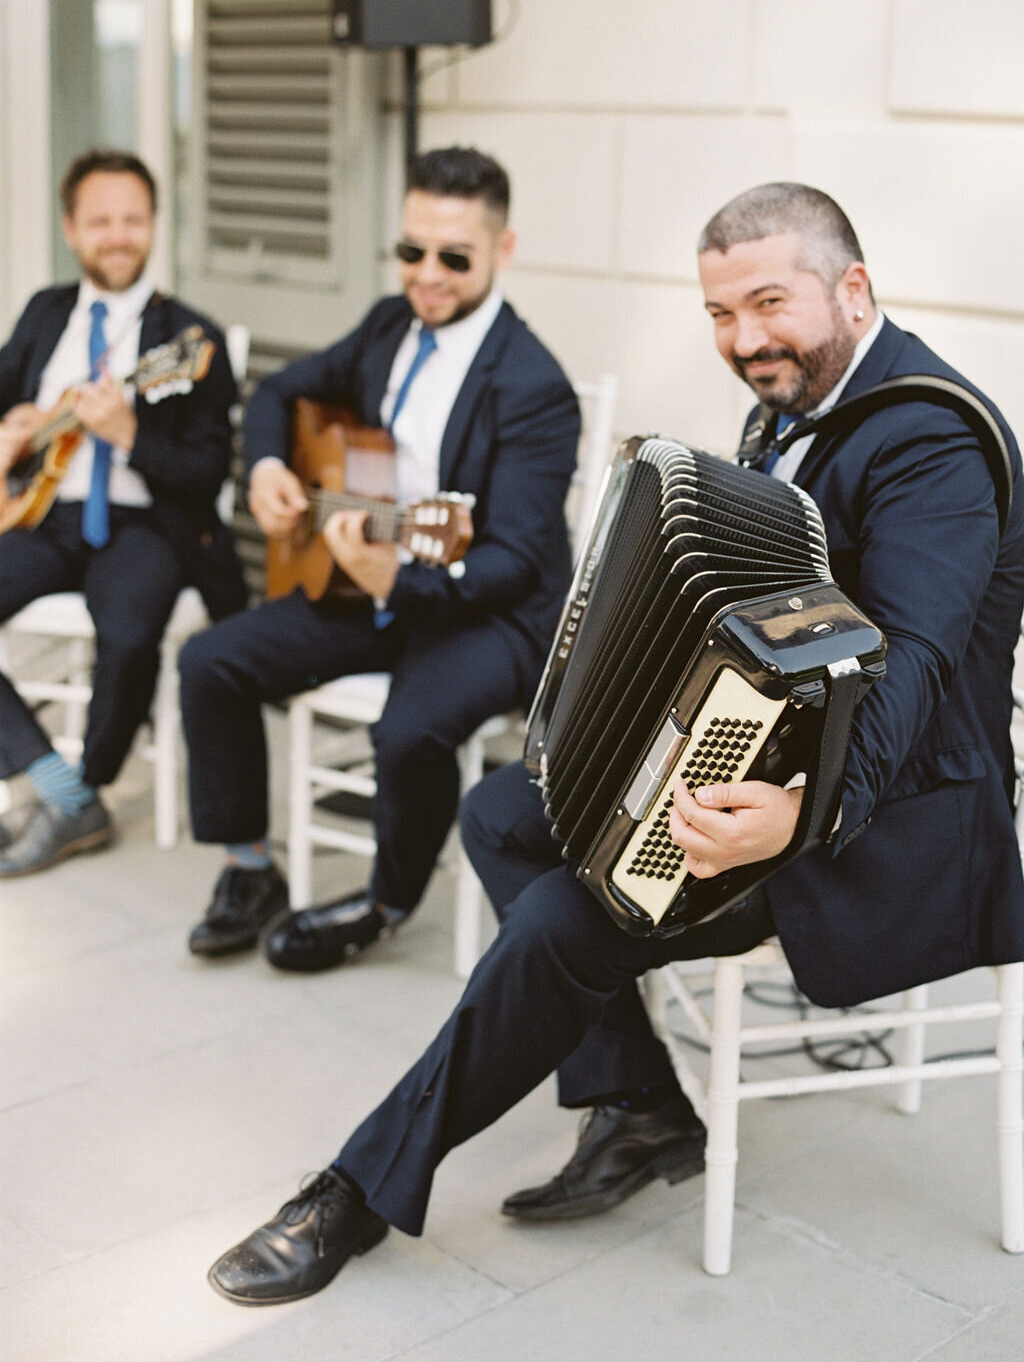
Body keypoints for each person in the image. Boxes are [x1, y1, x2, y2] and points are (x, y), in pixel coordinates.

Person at [205, 182, 1024, 1307]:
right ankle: (639, 1099)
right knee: (499, 809)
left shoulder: (931, 440)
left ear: (852, 288)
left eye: (768, 304)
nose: (743, 341)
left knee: (559, 916)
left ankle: (358, 1186)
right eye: (720, 315)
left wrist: (805, 810)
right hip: (762, 763)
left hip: (888, 819)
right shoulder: (790, 405)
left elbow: (918, 663)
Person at [181, 147, 580, 965]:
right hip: (373, 585)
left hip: (492, 614)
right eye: (410, 251)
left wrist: (398, 575)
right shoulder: (386, 326)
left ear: (502, 252)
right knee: (209, 661)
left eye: (453, 257)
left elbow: (514, 560)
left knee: (409, 731)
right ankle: (249, 866)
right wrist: (263, 468)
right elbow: (276, 391)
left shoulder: (534, 387)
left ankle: (384, 903)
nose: (426, 275)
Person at [0, 149, 243, 878]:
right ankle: (60, 791)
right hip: (43, 519)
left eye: (132, 220)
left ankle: (89, 786)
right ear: (71, 229)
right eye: (100, 221)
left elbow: (206, 475)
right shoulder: (46, 313)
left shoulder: (191, 342)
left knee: (131, 632)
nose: (118, 235)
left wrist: (129, 434)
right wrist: (16, 429)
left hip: (149, 526)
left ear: (153, 228)